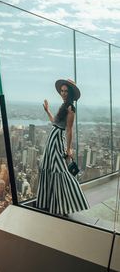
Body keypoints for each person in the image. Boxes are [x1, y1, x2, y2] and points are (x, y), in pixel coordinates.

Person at [36, 79, 89, 215]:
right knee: (49, 167)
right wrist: (48, 111)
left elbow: (69, 130)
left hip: (58, 139)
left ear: (70, 93)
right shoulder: (64, 105)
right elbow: (55, 122)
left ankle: (68, 203)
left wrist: (69, 148)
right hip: (52, 139)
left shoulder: (70, 108)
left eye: (66, 91)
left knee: (60, 170)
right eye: (62, 90)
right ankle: (49, 203)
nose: (63, 93)